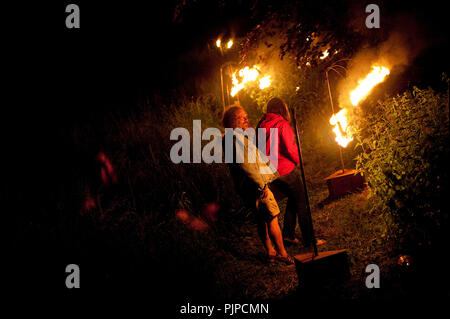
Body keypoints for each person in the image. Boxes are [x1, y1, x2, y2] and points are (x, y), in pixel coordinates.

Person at [222, 105, 294, 264]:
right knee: (272, 218)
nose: (246, 119)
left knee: (261, 219)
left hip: (247, 188)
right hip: (256, 187)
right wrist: (262, 187)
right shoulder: (235, 140)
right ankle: (282, 253)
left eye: (246, 115)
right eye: (241, 117)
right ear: (233, 121)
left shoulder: (231, 138)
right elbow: (246, 167)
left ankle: (270, 252)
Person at [257, 97, 325, 247]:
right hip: (285, 170)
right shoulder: (281, 124)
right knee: (303, 203)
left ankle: (288, 234)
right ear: (282, 109)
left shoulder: (261, 125)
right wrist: (298, 160)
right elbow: (290, 148)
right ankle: (309, 240)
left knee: (294, 197)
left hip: (270, 172)